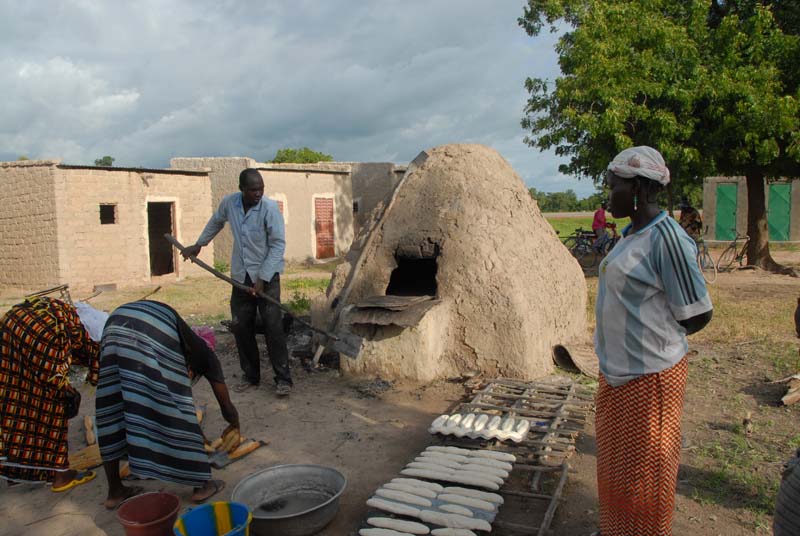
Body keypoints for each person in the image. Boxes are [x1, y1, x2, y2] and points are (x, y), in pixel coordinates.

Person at [594, 146, 713, 536]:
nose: (609, 194)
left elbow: (696, 313)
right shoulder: (631, 234)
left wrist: (653, 342)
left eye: (615, 186)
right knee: (617, 473)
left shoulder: (667, 239)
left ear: (640, 188)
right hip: (618, 377)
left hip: (649, 380)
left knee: (645, 481)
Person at [96, 300, 240, 508]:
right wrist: (235, 425)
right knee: (175, 406)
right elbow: (226, 405)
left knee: (112, 406)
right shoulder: (205, 354)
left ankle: (115, 491)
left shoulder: (183, 342)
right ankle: (202, 484)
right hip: (149, 327)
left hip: (114, 324)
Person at [183, 168, 292, 396]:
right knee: (241, 327)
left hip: (267, 277)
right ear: (242, 189)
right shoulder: (230, 203)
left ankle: (283, 379)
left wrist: (262, 279)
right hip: (241, 276)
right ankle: (251, 377)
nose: (258, 193)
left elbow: (278, 245)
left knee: (273, 328)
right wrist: (199, 244)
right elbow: (216, 222)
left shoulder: (269, 209)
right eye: (253, 189)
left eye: (261, 188)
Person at [0, 297, 100, 490]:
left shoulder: (79, 315)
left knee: (15, 399)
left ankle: (15, 469)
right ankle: (61, 476)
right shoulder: (83, 335)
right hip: (43, 332)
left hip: (12, 324)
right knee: (53, 404)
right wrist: (67, 391)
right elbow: (61, 375)